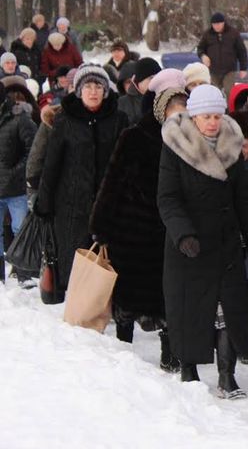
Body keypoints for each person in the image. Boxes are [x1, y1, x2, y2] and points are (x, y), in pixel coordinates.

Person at [157, 84, 248, 399]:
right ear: (193, 117)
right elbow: (168, 197)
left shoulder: (232, 145)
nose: (212, 122)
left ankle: (227, 376)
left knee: (227, 310)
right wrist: (183, 233)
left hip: (226, 244)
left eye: (217, 116)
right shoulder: (176, 146)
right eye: (206, 117)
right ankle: (189, 369)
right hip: (189, 246)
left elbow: (243, 197)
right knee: (190, 310)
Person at [89, 83, 188, 372]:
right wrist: (100, 224)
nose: (177, 115)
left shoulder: (189, 141)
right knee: (127, 294)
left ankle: (169, 353)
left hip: (166, 230)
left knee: (166, 293)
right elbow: (113, 180)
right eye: (172, 109)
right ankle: (123, 348)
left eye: (183, 109)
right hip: (130, 227)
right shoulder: (134, 137)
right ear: (160, 110)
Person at [33, 64, 129, 291]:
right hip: (71, 205)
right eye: (88, 86)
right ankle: (77, 307)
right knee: (74, 261)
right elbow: (52, 165)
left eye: (98, 86)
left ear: (105, 91)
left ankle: (103, 305)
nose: (93, 91)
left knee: (107, 261)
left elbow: (126, 163)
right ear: (79, 90)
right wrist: (44, 203)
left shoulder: (118, 119)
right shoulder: (65, 120)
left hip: (108, 203)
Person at [0, 82, 37, 278]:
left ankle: (24, 274)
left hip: (16, 188)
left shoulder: (19, 118)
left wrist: (16, 172)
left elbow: (33, 149)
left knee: (20, 230)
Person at [196, 13, 248, 94]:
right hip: (213, 70)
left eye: (219, 24)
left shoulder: (233, 33)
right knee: (213, 92)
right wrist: (203, 56)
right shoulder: (207, 34)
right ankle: (215, 106)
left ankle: (230, 106)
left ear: (223, 23)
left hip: (229, 70)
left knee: (229, 91)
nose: (216, 26)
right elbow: (200, 48)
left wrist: (243, 68)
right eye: (214, 24)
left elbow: (242, 51)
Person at [117, 58, 161, 125]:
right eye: (151, 78)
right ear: (138, 82)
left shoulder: (166, 98)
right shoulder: (122, 103)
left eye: (158, 77)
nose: (155, 82)